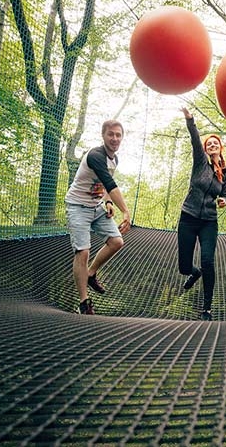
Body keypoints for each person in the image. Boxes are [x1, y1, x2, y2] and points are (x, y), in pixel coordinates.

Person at [65, 119, 131, 315]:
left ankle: (91, 273)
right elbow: (110, 184)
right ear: (103, 136)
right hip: (78, 207)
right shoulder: (95, 155)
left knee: (117, 241)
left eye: (118, 135)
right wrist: (125, 211)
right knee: (83, 252)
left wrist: (109, 202)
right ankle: (84, 303)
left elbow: (104, 186)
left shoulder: (114, 160)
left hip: (97, 207)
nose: (114, 138)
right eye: (111, 134)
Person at [177, 107, 226, 321]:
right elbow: (195, 139)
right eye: (209, 144)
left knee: (208, 261)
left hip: (209, 221)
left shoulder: (224, 171)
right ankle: (193, 272)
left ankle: (207, 308)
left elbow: (224, 193)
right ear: (206, 149)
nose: (212, 145)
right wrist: (191, 120)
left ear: (220, 147)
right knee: (184, 266)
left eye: (215, 143)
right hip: (188, 217)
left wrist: (224, 199)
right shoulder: (200, 162)